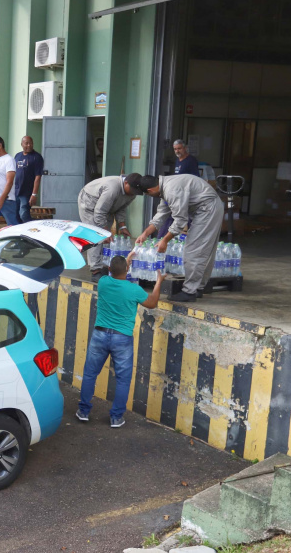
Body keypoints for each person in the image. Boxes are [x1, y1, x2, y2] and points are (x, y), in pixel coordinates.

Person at [76, 254, 165, 428]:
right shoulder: (134, 290)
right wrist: (159, 281)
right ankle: (116, 417)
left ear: (109, 270)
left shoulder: (103, 282)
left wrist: (127, 258)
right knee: (123, 380)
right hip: (122, 338)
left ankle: (83, 411)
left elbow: (116, 271)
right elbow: (153, 302)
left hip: (99, 335)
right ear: (128, 270)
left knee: (90, 374)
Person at [134, 174, 225, 302]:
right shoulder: (165, 188)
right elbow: (161, 215)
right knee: (203, 251)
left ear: (150, 191)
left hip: (207, 209)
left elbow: (180, 221)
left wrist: (165, 240)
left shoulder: (171, 190)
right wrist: (145, 233)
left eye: (148, 195)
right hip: (207, 208)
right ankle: (197, 287)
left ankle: (189, 291)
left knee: (193, 250)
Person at [77, 173, 146, 281]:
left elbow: (121, 208)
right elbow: (99, 212)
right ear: (126, 183)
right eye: (132, 190)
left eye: (136, 192)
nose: (133, 194)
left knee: (108, 238)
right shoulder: (112, 189)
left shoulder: (132, 193)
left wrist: (122, 227)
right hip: (90, 203)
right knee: (96, 235)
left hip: (106, 207)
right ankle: (95, 270)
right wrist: (105, 231)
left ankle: (103, 265)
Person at [157, 139, 200, 238]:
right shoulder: (177, 160)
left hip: (186, 194)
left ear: (185, 148)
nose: (177, 151)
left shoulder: (191, 161)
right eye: (175, 149)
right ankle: (161, 239)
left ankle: (191, 240)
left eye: (179, 148)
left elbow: (195, 179)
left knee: (187, 218)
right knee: (170, 216)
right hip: (177, 193)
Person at [13, 136, 43, 223]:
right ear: (22, 144)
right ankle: (19, 234)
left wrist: (34, 194)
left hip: (27, 193)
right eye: (26, 143)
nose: (29, 145)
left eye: (31, 143)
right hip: (16, 191)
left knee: (23, 214)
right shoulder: (17, 156)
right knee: (15, 215)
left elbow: (38, 177)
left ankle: (32, 229)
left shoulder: (36, 157)